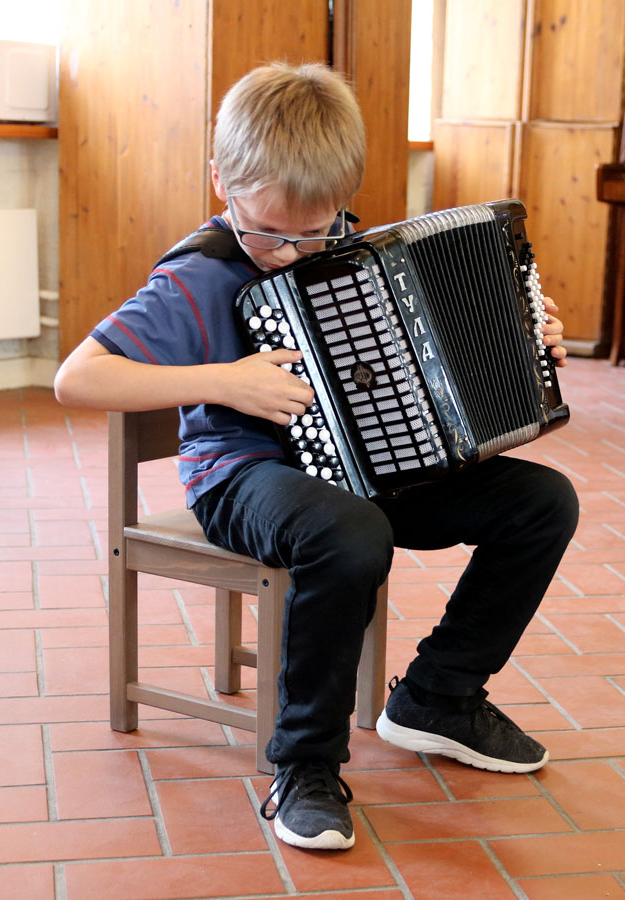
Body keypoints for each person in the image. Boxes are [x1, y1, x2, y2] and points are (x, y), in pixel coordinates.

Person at [55, 61, 579, 852]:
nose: (289, 252)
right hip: (241, 476)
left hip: (369, 468)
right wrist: (223, 380)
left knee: (541, 503)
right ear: (220, 181)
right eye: (268, 231)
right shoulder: (198, 274)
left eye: (313, 230)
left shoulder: (357, 256)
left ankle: (437, 696)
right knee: (351, 531)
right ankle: (302, 763)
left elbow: (428, 366)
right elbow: (77, 379)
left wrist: (526, 340)